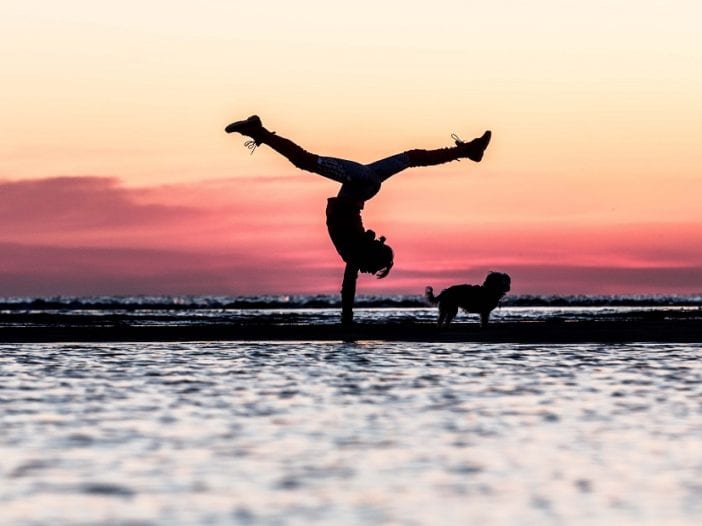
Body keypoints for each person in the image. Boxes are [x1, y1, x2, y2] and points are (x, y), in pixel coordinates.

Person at [225, 115, 491, 325]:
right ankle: (257, 131)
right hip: (360, 183)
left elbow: (349, 285)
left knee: (411, 158)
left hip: (365, 185)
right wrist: (347, 321)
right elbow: (347, 289)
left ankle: (470, 151)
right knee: (306, 161)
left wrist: (347, 320)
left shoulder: (358, 248)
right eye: (372, 268)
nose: (365, 272)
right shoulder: (355, 251)